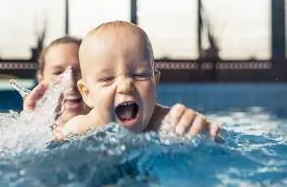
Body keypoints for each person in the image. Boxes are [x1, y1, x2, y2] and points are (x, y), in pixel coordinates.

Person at [54, 21, 220, 140]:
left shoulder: (167, 123)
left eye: (139, 75)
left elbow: (217, 141)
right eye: (107, 78)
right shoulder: (80, 129)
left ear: (155, 82)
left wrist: (200, 131)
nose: (125, 85)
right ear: (87, 93)